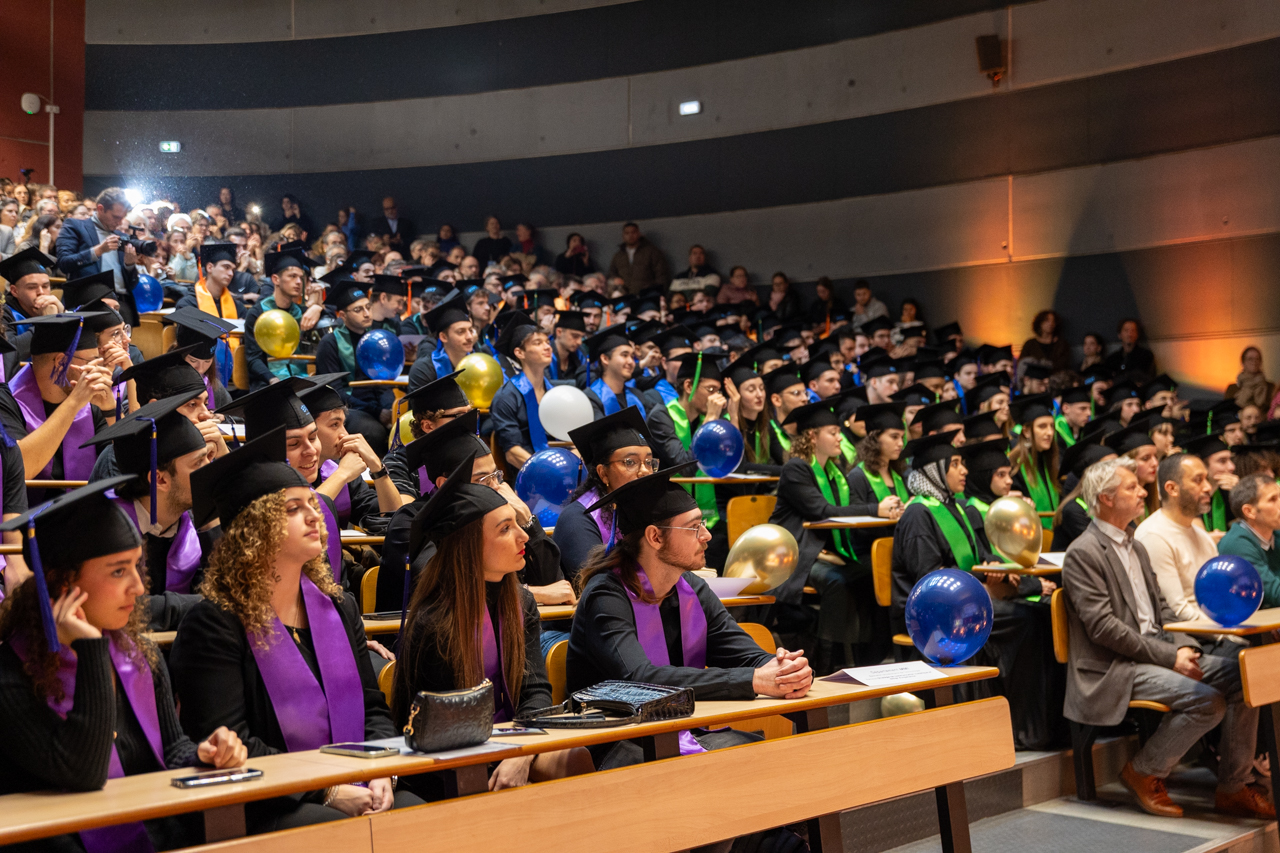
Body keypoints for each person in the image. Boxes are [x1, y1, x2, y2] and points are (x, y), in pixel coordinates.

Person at [171, 429, 421, 831]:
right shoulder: (215, 625)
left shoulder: (339, 606)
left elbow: (373, 709)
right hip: (269, 799)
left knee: (426, 819)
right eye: (293, 508)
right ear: (254, 529)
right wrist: (323, 789)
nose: (314, 515)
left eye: (312, 503)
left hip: (357, 778)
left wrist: (382, 769)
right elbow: (229, 739)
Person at [0, 478, 248, 850]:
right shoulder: (11, 675)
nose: (138, 587)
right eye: (118, 571)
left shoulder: (137, 653)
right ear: (61, 583)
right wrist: (91, 650)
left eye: (137, 566)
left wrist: (202, 753)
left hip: (154, 828)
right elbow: (83, 771)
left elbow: (170, 748)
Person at [1060, 457, 1272, 819]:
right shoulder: (1083, 552)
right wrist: (1168, 656)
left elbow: (1162, 611)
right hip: (1112, 667)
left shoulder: (1135, 545)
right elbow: (1105, 629)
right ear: (1107, 498)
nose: (1144, 491)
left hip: (1153, 653)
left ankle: (1233, 787)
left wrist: (1183, 645)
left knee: (1247, 676)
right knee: (1208, 702)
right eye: (1132, 487)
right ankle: (1143, 771)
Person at [568, 463, 813, 767]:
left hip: (685, 728)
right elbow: (640, 680)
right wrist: (753, 680)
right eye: (694, 527)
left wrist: (785, 668)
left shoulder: (691, 589)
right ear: (655, 537)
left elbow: (741, 652)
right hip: (616, 738)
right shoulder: (606, 596)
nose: (707, 535)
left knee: (771, 762)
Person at [390, 459, 592, 796]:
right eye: (505, 529)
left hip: (511, 740)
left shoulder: (520, 602)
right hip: (447, 760)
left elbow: (535, 690)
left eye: (517, 524)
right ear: (471, 547)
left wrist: (522, 751)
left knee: (574, 758)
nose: (523, 535)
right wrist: (511, 754)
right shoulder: (434, 622)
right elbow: (445, 729)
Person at [375, 411, 567, 616]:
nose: (497, 489)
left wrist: (527, 520)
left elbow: (554, 584)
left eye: (496, 476)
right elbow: (447, 587)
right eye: (483, 480)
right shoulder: (411, 522)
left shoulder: (496, 519)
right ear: (444, 485)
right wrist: (532, 594)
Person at [769, 401, 901, 667]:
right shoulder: (796, 468)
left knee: (870, 576)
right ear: (812, 436)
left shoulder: (835, 471)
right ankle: (828, 661)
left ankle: (866, 656)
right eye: (832, 432)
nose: (840, 436)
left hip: (826, 552)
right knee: (838, 581)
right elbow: (822, 511)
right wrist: (876, 508)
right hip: (796, 554)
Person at [83, 392, 218, 630]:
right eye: (198, 463)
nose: (210, 471)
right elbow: (120, 606)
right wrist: (198, 605)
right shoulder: (101, 530)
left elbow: (224, 590)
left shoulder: (193, 522)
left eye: (208, 458)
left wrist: (211, 525)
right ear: (160, 479)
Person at [218, 381, 347, 583]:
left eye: (313, 437)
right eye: (294, 443)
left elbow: (341, 586)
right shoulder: (239, 518)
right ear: (262, 451)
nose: (311, 450)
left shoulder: (324, 505)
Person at [0, 314, 115, 498]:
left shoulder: (93, 406)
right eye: (91, 361)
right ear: (62, 363)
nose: (97, 369)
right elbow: (18, 469)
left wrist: (111, 412)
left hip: (85, 516)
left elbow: (128, 467)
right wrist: (74, 403)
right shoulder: (6, 402)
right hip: (27, 520)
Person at [1135, 453, 1238, 634]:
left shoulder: (1202, 535)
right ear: (1172, 488)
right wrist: (1227, 633)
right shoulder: (1153, 536)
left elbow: (1221, 596)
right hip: (1189, 638)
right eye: (1198, 480)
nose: (1207, 487)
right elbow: (1177, 611)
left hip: (1216, 628)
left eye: (1206, 479)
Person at [553, 408, 657, 584]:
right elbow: (597, 583)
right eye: (630, 462)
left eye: (649, 462)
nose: (645, 471)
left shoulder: (649, 509)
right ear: (603, 473)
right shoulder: (578, 519)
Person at [645, 352, 729, 565]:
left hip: (711, 521)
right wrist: (709, 420)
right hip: (673, 523)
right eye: (710, 390)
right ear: (689, 386)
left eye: (718, 392)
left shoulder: (711, 419)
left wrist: (733, 416)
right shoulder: (661, 416)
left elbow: (733, 462)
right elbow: (686, 467)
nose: (715, 398)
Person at [298, 375, 402, 530]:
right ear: (309, 429)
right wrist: (342, 475)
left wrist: (377, 467)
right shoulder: (279, 473)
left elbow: (391, 519)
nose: (344, 435)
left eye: (343, 424)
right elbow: (298, 522)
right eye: (334, 425)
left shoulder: (335, 466)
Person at [311, 281, 393, 450]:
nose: (366, 313)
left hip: (374, 405)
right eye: (358, 310)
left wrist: (388, 408)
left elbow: (383, 383)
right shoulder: (331, 342)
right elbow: (335, 392)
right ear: (342, 315)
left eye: (368, 307)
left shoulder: (374, 340)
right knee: (373, 432)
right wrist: (377, 411)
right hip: (347, 408)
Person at [54, 187, 142, 325]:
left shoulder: (123, 236)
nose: (119, 222)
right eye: (115, 217)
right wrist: (98, 251)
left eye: (123, 217)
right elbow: (64, 263)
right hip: (89, 302)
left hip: (122, 304)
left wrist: (130, 265)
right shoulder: (75, 226)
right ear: (100, 209)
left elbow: (132, 284)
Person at [242, 244, 322, 390]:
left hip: (300, 381)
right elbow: (253, 359)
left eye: (300, 277)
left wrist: (318, 308)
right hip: (267, 383)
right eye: (292, 276)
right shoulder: (257, 313)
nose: (299, 282)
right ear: (276, 279)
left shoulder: (302, 312)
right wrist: (272, 379)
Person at [490, 317, 555, 468]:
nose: (547, 347)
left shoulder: (555, 394)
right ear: (519, 353)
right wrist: (548, 471)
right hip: (528, 475)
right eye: (538, 343)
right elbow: (513, 453)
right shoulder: (506, 397)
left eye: (547, 342)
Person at [1217, 474, 1280, 607]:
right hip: (1250, 624)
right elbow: (1274, 594)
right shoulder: (1236, 544)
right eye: (1273, 499)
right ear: (1249, 511)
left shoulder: (1276, 534)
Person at [163, 306, 237, 412]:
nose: (200, 369)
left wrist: (222, 418)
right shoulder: (163, 384)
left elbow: (232, 416)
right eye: (193, 361)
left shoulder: (216, 388)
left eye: (207, 361)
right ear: (179, 356)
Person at [0, 247, 65, 361]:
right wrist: (49, 321)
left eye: (45, 286)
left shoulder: (56, 309)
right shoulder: (4, 313)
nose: (41, 292)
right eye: (32, 287)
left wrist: (64, 316)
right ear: (15, 291)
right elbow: (10, 353)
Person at [1052, 440, 1117, 553]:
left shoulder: (1108, 502)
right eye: (1108, 467)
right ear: (1091, 475)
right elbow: (1100, 546)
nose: (1117, 472)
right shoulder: (1073, 509)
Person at [405, 290, 477, 390]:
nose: (469, 337)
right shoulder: (424, 369)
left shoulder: (478, 366)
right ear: (443, 337)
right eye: (461, 332)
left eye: (470, 330)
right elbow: (417, 406)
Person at [1007, 394, 1061, 519]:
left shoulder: (1051, 461)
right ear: (1026, 431)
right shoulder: (1015, 467)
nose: (1049, 432)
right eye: (1042, 426)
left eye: (1052, 426)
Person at [583, 324, 647, 417]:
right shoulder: (590, 398)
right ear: (605, 359)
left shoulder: (638, 396)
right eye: (624, 355)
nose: (631, 362)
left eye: (632, 357)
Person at [607, 222, 670, 295]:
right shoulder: (618, 256)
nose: (630, 235)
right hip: (625, 296)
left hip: (646, 295)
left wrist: (658, 293)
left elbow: (662, 275)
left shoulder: (652, 252)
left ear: (639, 234)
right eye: (627, 233)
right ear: (623, 236)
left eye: (633, 232)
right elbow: (612, 274)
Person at [1055, 385, 1092, 452]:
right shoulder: (1056, 433)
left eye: (1090, 409)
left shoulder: (1085, 430)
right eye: (1083, 408)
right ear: (1066, 408)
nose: (1089, 413)